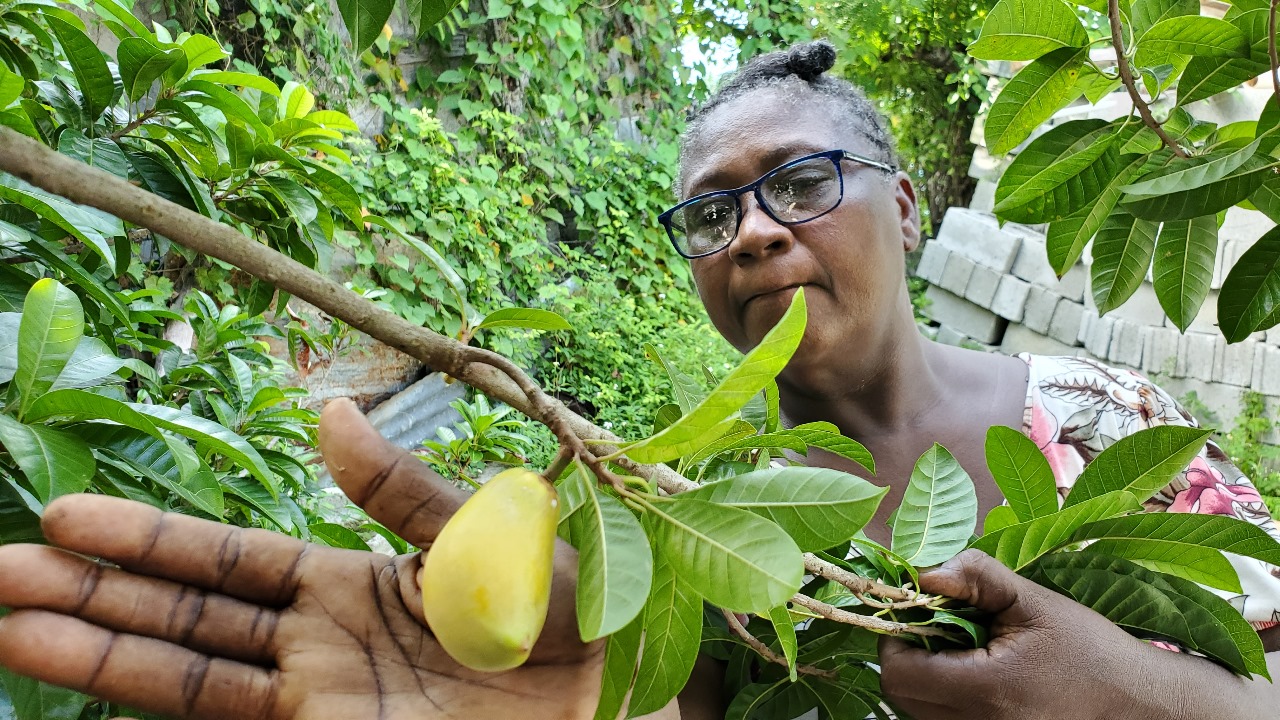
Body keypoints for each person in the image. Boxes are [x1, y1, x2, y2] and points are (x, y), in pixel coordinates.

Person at [2, 39, 1280, 720]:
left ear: (901, 204)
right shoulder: (679, 526)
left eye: (798, 182)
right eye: (710, 214)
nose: (754, 232)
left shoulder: (1102, 424)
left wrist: (1139, 702)